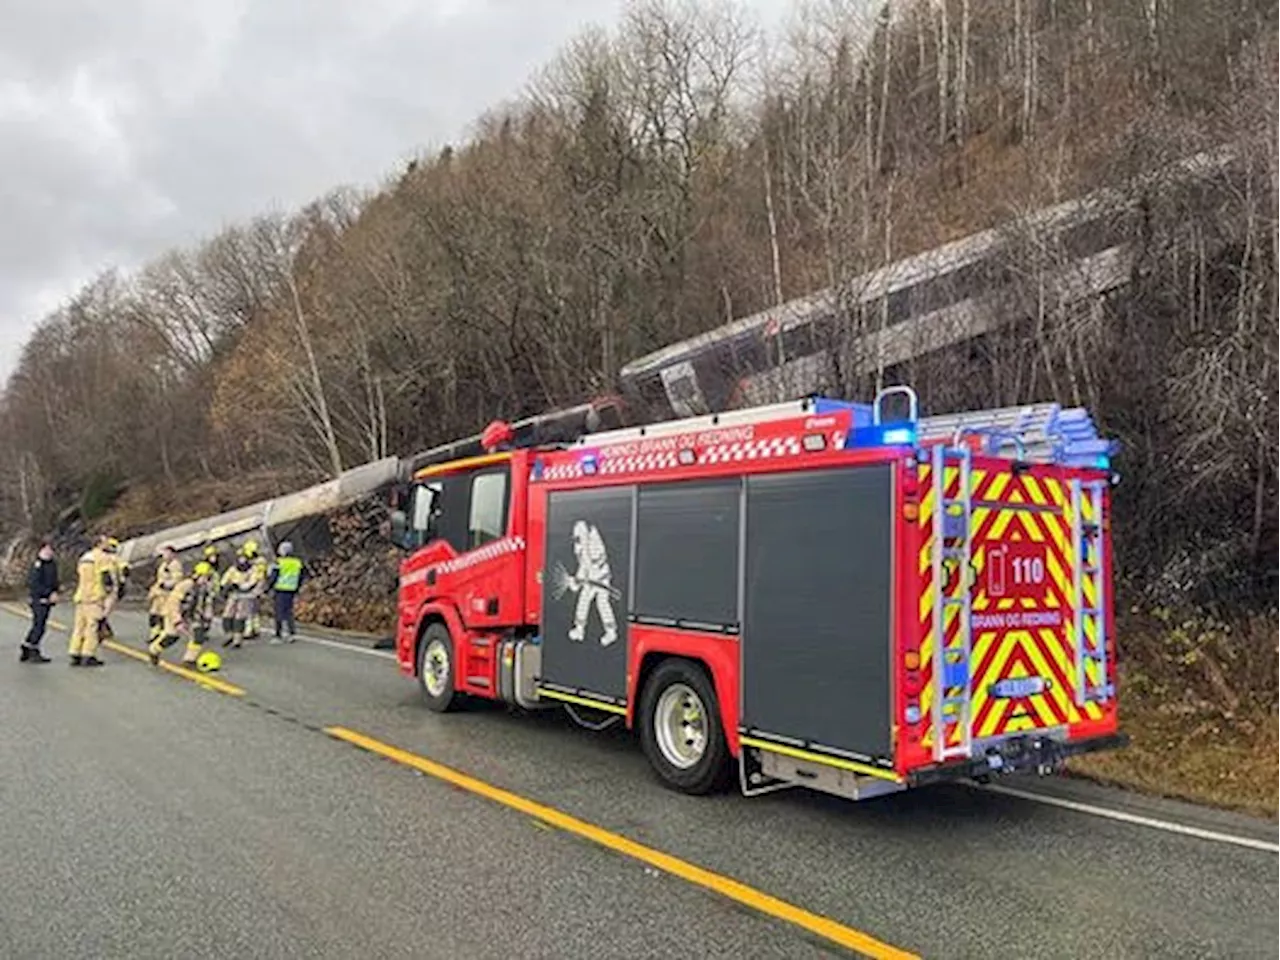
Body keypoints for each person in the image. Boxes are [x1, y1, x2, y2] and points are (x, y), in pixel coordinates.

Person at [149, 562, 216, 668]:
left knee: (198, 635)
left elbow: (207, 604)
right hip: (175, 613)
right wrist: (177, 621)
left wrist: (207, 618)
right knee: (171, 637)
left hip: (192, 615)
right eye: (204, 576)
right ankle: (154, 650)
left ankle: (189, 660)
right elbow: (173, 603)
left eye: (208, 577)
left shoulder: (205, 588)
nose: (206, 580)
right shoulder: (185, 585)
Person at [69, 535, 116, 667]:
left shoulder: (84, 557)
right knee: (92, 627)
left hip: (81, 596)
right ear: (100, 544)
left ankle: (75, 652)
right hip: (94, 597)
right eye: (105, 542)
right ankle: (88, 654)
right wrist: (110, 592)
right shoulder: (102, 558)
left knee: (79, 626)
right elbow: (106, 577)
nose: (107, 544)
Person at [21, 539, 58, 663]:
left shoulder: (51, 564)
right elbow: (34, 584)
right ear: (41, 550)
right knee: (39, 625)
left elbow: (54, 580)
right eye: (47, 549)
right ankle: (33, 650)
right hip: (39, 599)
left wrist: (55, 591)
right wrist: (47, 593)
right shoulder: (38, 565)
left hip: (48, 599)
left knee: (39, 624)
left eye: (51, 549)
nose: (50, 552)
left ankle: (26, 646)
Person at [266, 541, 306, 643]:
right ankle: (291, 633)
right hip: (292, 589)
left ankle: (278, 635)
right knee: (289, 612)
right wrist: (297, 587)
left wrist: (268, 588)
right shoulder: (297, 562)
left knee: (279, 612)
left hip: (280, 589)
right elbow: (302, 576)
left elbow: (273, 577)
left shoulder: (279, 562)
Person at [147, 544, 184, 646]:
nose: (164, 555)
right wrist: (153, 590)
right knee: (153, 614)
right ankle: (154, 633)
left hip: (168, 594)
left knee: (164, 615)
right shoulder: (163, 565)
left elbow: (177, 579)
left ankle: (161, 634)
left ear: (173, 554)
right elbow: (160, 578)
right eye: (164, 553)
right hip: (159, 594)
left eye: (167, 553)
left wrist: (166, 585)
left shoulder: (175, 565)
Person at [241, 540, 268, 640]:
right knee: (254, 610)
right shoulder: (259, 562)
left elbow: (256, 578)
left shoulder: (257, 564)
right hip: (257, 590)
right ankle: (256, 629)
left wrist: (245, 586)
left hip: (253, 590)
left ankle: (248, 631)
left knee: (248, 610)